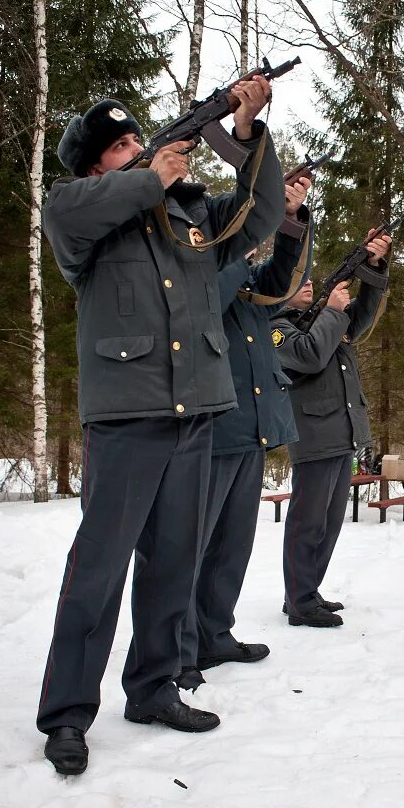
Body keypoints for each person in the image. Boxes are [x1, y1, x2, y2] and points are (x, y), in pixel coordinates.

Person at [38, 79, 284, 775]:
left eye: (135, 139)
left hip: (195, 412)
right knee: (99, 573)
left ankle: (153, 688)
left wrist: (243, 134)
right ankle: (65, 715)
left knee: (175, 562)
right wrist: (150, 176)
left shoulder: (193, 213)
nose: (136, 149)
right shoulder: (76, 210)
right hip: (125, 418)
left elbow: (263, 217)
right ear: (95, 167)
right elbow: (73, 216)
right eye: (119, 146)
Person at [163, 176, 313, 692]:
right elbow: (210, 295)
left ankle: (214, 633)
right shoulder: (199, 267)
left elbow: (282, 284)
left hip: (250, 428)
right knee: (192, 547)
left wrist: (290, 219)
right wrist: (242, 244)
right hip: (210, 426)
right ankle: (179, 652)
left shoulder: (240, 272)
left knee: (233, 546)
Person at [269, 229, 392, 627]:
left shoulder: (322, 319)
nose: (306, 283)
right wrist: (333, 311)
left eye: (308, 279)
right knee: (308, 522)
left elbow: (359, 319)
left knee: (330, 522)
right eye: (296, 280)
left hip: (342, 433)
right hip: (314, 435)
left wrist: (373, 267)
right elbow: (308, 356)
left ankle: (307, 591)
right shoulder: (276, 328)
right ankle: (300, 600)